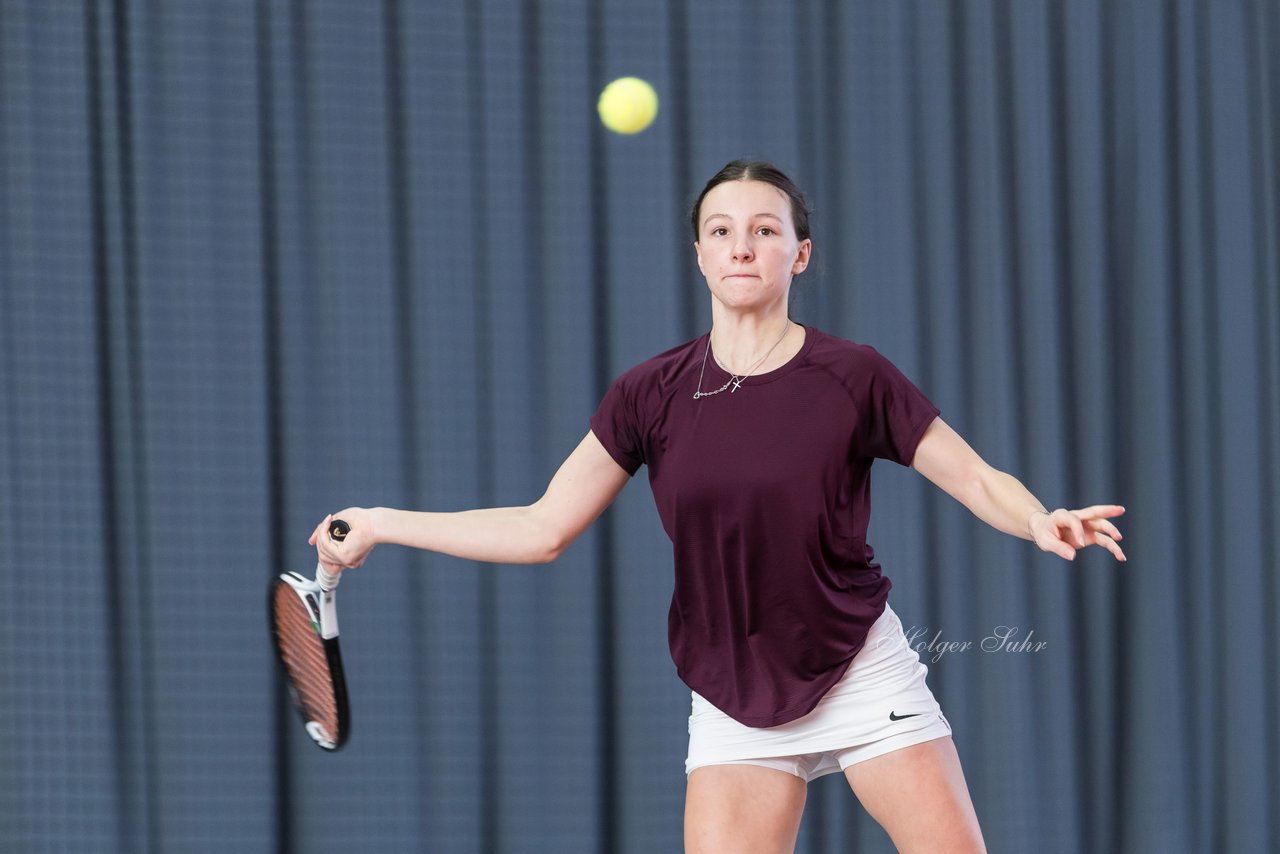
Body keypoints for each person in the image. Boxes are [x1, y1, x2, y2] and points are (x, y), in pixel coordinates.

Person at [310, 159, 1127, 854]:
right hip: (732, 689)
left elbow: (975, 476)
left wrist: (1035, 517)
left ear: (800, 255)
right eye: (723, 229)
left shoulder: (854, 376)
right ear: (698, 254)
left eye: (767, 229)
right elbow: (541, 527)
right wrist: (383, 522)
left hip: (854, 665)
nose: (744, 243)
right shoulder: (648, 393)